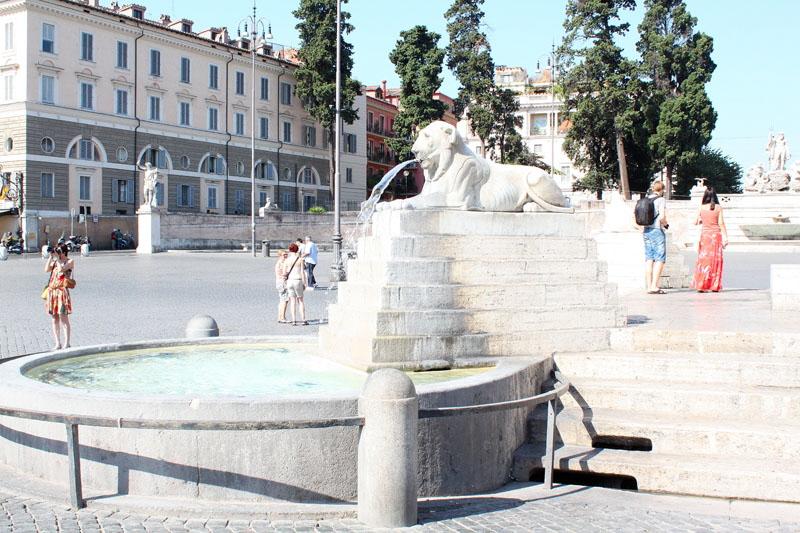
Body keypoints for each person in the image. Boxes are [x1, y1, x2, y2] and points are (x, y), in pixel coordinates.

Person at [691, 187, 728, 292]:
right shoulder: (718, 207)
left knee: (703, 259)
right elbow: (721, 223)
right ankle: (714, 285)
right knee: (715, 259)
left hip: (705, 235)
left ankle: (701, 284)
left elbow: (695, 222)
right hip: (715, 235)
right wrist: (726, 236)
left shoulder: (701, 207)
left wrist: (704, 222)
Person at [635, 180, 668, 294]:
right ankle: (655, 285)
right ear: (661, 190)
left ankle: (649, 286)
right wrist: (666, 224)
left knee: (649, 259)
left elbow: (634, 216)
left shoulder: (645, 199)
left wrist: (640, 228)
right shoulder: (661, 200)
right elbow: (662, 217)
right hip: (657, 230)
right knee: (660, 258)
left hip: (646, 230)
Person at [44, 243, 74, 350]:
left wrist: (57, 259)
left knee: (64, 318)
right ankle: (57, 343)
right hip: (52, 291)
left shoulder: (69, 261)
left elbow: (62, 269)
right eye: (57, 250)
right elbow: (46, 269)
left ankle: (67, 343)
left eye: (59, 251)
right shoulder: (55, 261)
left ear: (64, 251)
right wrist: (50, 257)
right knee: (54, 318)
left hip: (62, 291)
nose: (58, 252)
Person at [284, 242, 308, 325]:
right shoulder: (300, 260)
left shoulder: (286, 260)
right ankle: (303, 319)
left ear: (289, 250)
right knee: (300, 300)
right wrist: (304, 283)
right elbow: (302, 272)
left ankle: (294, 320)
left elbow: (285, 273)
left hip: (290, 280)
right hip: (298, 280)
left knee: (292, 301)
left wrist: (285, 283)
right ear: (297, 250)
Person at [274, 249, 289, 323]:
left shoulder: (280, 262)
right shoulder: (281, 263)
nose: (286, 256)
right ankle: (283, 317)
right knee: (285, 300)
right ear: (280, 256)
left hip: (278, 282)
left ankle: (280, 316)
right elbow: (284, 273)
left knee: (281, 300)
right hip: (282, 282)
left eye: (286, 254)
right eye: (284, 255)